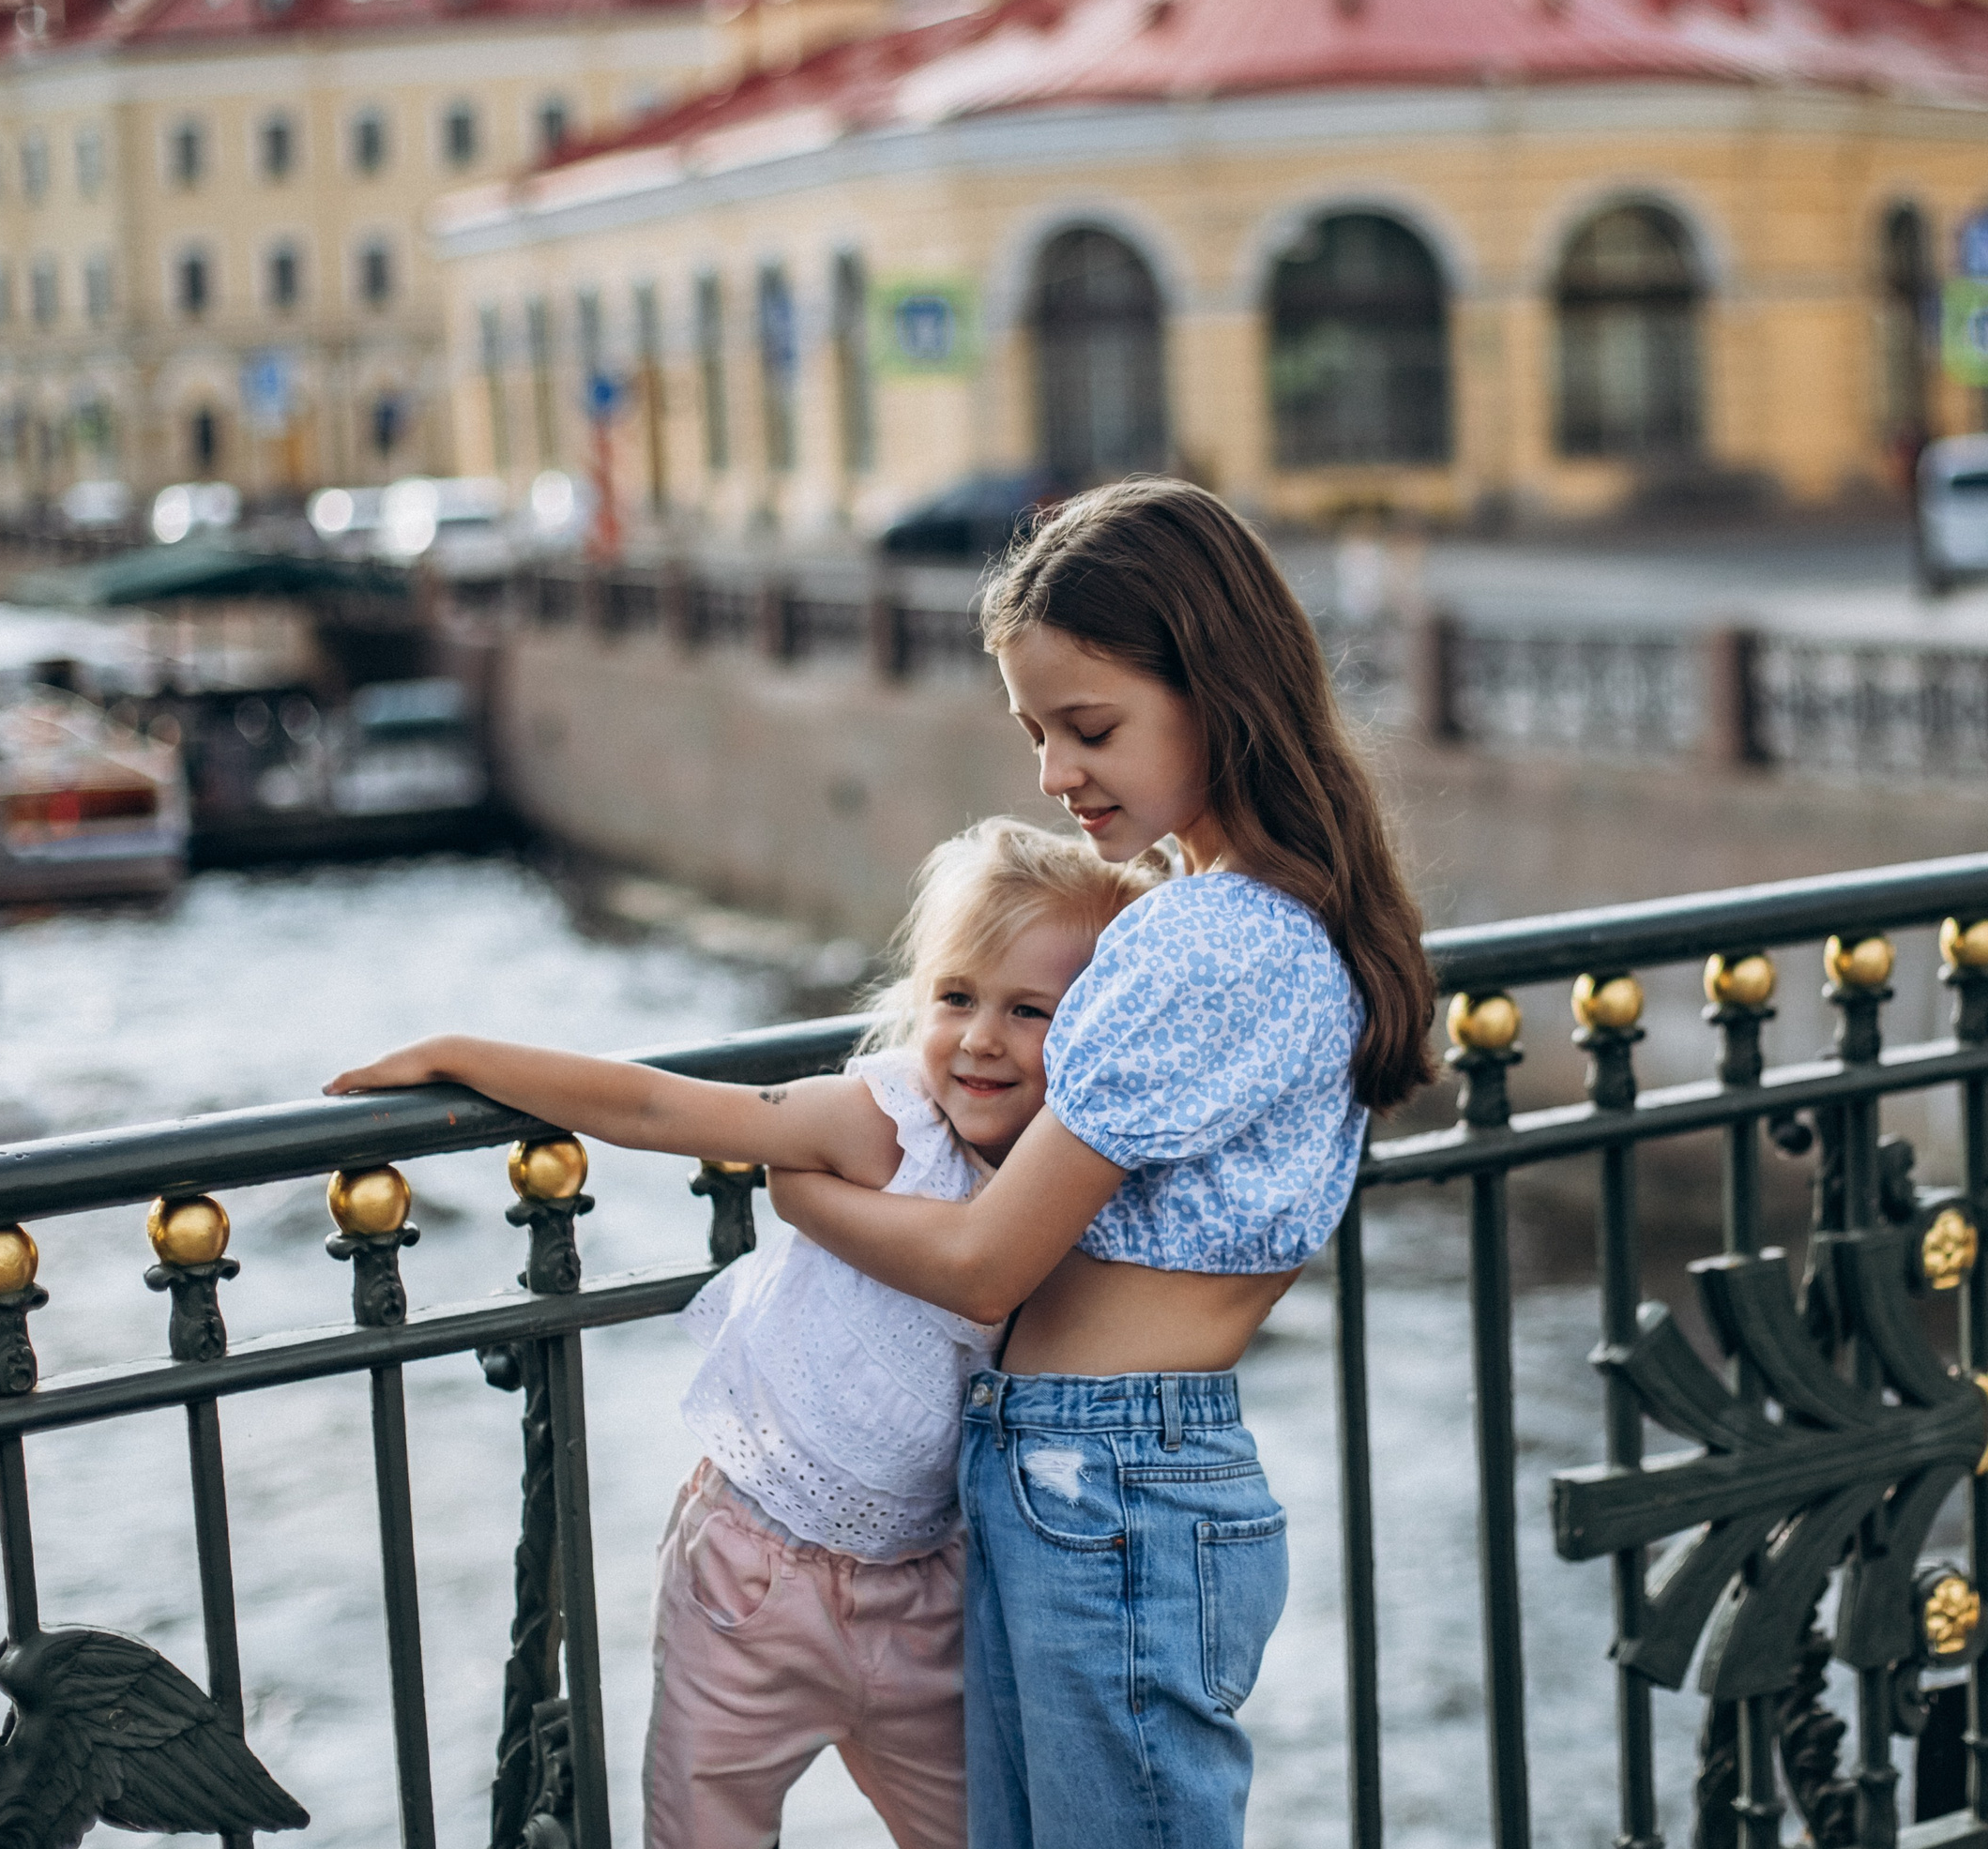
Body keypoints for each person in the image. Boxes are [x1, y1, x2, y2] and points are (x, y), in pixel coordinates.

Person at [766, 478, 1434, 1849]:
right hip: (1105, 1480)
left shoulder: (1204, 941)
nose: (1056, 774)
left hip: (1102, 1488)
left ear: (1220, 690)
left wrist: (801, 1189)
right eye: (1036, 734)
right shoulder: (1262, 918)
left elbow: (987, 1259)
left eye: (1092, 728)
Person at [325, 817, 1161, 1849]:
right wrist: (459, 1051)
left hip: (932, 1585)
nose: (980, 1036)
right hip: (751, 1574)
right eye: (955, 995)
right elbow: (653, 1104)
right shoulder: (881, 1125)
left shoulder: (1070, 1180)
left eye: (1028, 1010)